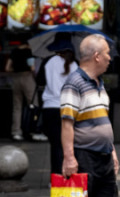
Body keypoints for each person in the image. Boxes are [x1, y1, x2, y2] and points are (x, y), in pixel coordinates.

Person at [60, 34, 120, 197]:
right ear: (97, 56)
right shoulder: (74, 83)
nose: (110, 58)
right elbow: (67, 124)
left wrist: (113, 151)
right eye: (107, 53)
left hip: (104, 155)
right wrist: (69, 158)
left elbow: (102, 119)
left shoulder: (99, 83)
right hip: (83, 154)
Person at [41, 38, 78, 175]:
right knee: (68, 145)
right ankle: (67, 175)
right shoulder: (74, 65)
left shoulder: (49, 62)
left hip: (50, 108)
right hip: (68, 108)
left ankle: (55, 176)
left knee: (55, 145)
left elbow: (39, 80)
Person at [5, 38, 36, 141]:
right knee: (33, 105)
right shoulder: (29, 52)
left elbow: (7, 68)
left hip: (16, 78)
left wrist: (16, 69)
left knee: (17, 107)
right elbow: (32, 68)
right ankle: (34, 130)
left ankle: (16, 132)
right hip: (27, 78)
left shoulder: (14, 52)